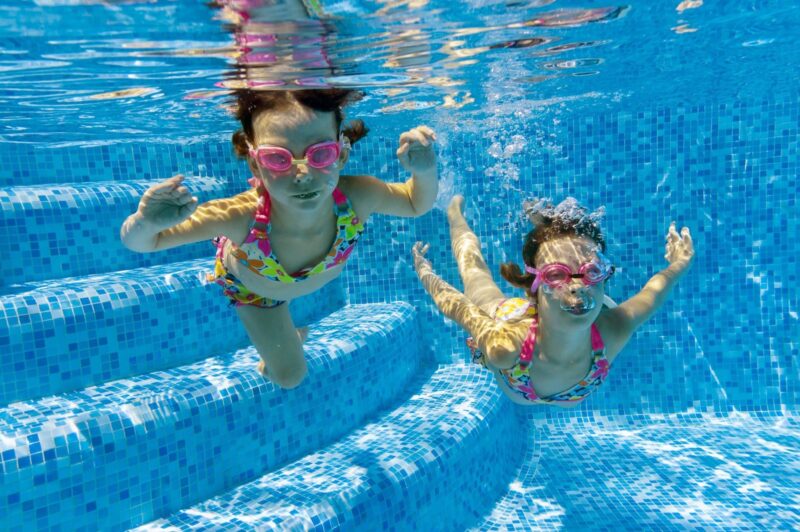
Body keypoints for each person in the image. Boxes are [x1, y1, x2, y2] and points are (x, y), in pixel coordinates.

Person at [121, 89, 438, 388]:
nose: (302, 174)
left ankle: (289, 335)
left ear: (340, 154)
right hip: (254, 290)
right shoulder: (239, 216)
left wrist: (423, 172)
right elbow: (142, 243)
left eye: (320, 154)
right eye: (278, 159)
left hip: (290, 279)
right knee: (290, 376)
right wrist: (144, 222)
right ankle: (276, 352)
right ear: (255, 163)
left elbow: (415, 203)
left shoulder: (358, 196)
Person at [412, 195, 694, 407]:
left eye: (592, 271)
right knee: (476, 280)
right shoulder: (506, 347)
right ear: (534, 286)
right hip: (513, 324)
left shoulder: (612, 330)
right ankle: (454, 214)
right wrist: (425, 272)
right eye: (557, 273)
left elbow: (653, 292)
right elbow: (459, 308)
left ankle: (548, 232)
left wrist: (680, 263)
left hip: (545, 318)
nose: (577, 285)